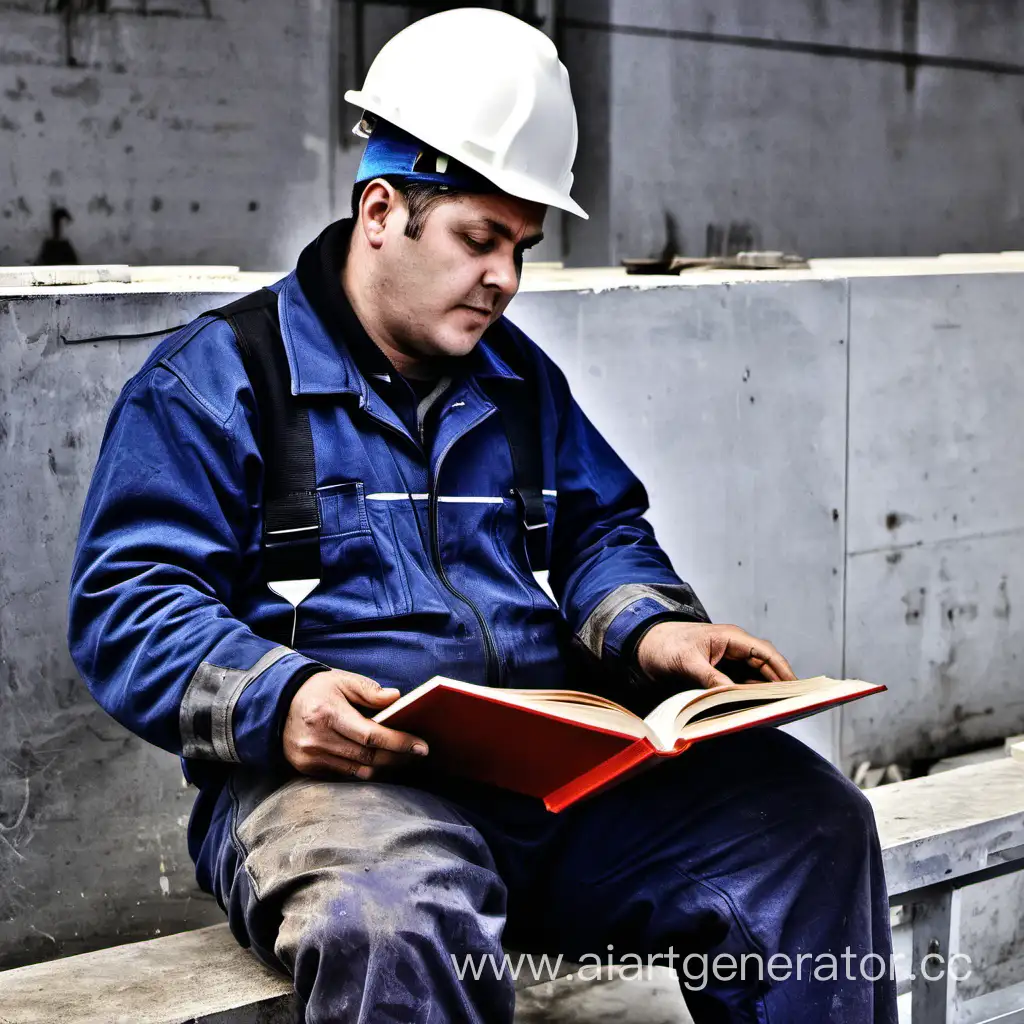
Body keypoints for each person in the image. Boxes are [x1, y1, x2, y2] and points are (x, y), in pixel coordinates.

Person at [68, 9, 896, 1022]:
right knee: (392, 918)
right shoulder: (213, 383)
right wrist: (281, 699)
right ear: (382, 210)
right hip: (334, 795)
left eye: (521, 245)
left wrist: (654, 626)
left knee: (806, 825)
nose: (505, 277)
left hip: (545, 784)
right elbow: (128, 603)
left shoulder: (517, 383)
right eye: (479, 238)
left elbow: (599, 532)